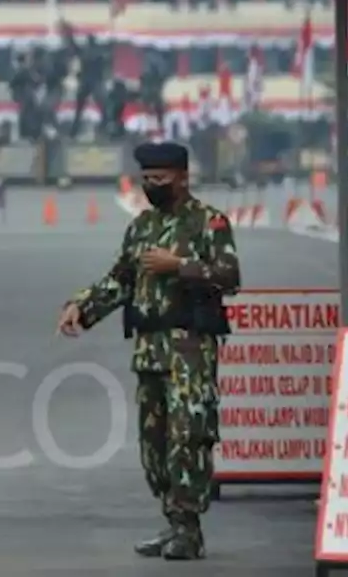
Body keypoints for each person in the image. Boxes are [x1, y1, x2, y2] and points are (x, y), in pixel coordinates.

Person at [57, 141, 239, 561]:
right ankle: (171, 519)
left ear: (182, 177)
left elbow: (229, 276)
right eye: (146, 180)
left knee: (188, 437)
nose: (152, 186)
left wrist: (180, 268)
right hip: (150, 349)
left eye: (160, 179)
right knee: (154, 444)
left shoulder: (208, 223)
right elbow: (120, 279)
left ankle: (188, 527)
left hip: (190, 348)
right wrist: (81, 308)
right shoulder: (141, 227)